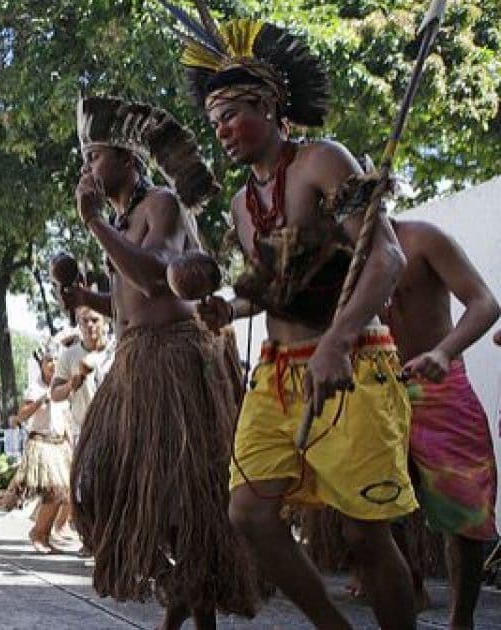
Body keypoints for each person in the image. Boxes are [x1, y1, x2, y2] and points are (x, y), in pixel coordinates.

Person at [171, 10, 418, 628]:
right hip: (277, 373)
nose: (223, 130)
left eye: (233, 114)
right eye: (214, 121)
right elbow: (278, 290)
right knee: (248, 513)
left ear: (272, 104)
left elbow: (385, 256)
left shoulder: (324, 161)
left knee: (365, 534)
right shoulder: (241, 202)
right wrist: (231, 305)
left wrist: (337, 340)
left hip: (353, 359)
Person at [63, 96, 262, 628]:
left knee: (185, 501)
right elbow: (131, 299)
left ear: (129, 159)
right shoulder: (126, 219)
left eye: (95, 157)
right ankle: (180, 600)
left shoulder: (162, 206)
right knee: (102, 487)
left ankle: (190, 616)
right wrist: (87, 298)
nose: (87, 169)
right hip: (132, 364)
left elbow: (156, 277)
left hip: (173, 361)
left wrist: (95, 225)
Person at [383, 218, 499, 628]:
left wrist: (444, 352)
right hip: (376, 391)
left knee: (466, 509)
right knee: (374, 506)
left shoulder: (423, 240)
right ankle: (409, 591)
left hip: (440, 385)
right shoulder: (335, 256)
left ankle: (460, 622)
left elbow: (485, 302)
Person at [0, 342, 73, 554]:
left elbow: (65, 419)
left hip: (60, 446)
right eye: (48, 361)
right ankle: (38, 534)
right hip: (41, 444)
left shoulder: (62, 387)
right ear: (41, 364)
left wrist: (70, 445)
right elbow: (21, 416)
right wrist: (41, 400)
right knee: (55, 492)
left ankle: (44, 534)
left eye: (56, 360)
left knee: (64, 496)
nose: (53, 364)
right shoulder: (36, 388)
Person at [48, 306, 110, 444]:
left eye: (94, 320)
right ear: (79, 324)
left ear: (104, 322)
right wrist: (71, 384)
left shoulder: (116, 352)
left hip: (115, 429)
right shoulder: (68, 356)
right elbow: (54, 394)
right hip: (84, 432)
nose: (90, 325)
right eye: (85, 321)